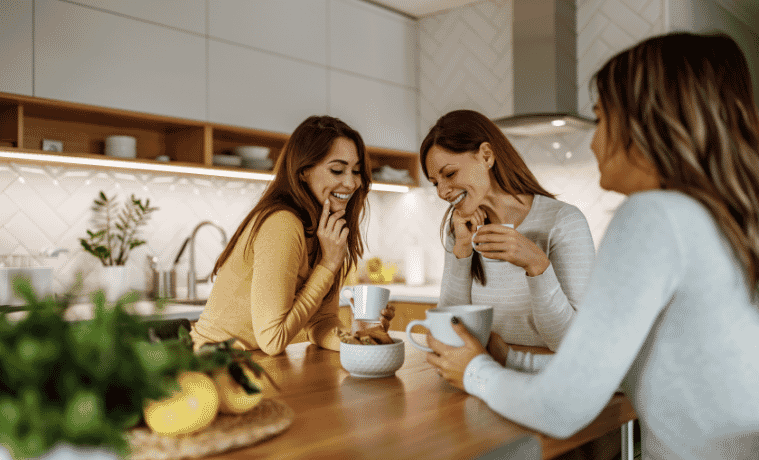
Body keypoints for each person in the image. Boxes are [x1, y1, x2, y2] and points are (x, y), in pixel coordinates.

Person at [426, 32, 759, 460]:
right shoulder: (718, 219)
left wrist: (475, 371)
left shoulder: (655, 216)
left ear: (645, 121)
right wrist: (506, 359)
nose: (593, 141)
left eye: (601, 118)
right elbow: (610, 375)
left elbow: (561, 407)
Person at [190, 115, 393, 355]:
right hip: (210, 362)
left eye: (357, 171)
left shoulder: (325, 231)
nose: (351, 183)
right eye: (337, 170)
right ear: (303, 171)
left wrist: (359, 341)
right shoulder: (282, 224)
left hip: (253, 364)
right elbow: (273, 340)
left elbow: (321, 322)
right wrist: (328, 264)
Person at [420, 109, 596, 354]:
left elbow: (574, 344)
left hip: (546, 381)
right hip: (480, 376)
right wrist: (462, 251)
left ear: (486, 155)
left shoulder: (564, 221)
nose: (442, 192)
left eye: (449, 174)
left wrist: (536, 265)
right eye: (435, 183)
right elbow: (449, 334)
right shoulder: (460, 230)